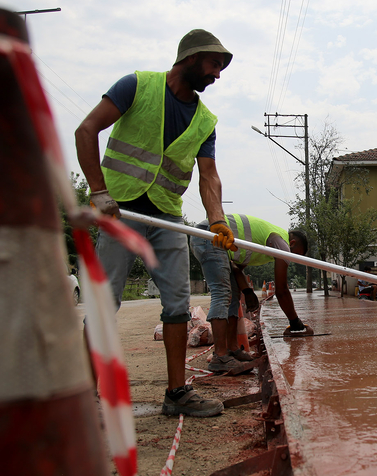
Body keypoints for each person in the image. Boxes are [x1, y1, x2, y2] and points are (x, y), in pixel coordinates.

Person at [75, 29, 236, 418]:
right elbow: (86, 130)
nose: (217, 75)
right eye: (214, 65)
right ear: (192, 57)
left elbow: (208, 174)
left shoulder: (204, 120)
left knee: (178, 305)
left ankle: (177, 393)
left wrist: (217, 220)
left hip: (166, 216)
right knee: (103, 301)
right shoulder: (137, 86)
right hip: (120, 210)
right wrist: (97, 191)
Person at [189, 214, 311, 373]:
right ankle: (220, 356)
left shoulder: (261, 243)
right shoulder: (281, 243)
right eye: (294, 254)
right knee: (221, 293)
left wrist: (247, 291)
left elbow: (236, 269)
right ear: (292, 243)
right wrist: (295, 322)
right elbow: (281, 290)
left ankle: (232, 350)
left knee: (232, 296)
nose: (291, 259)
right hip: (210, 235)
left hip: (215, 241)